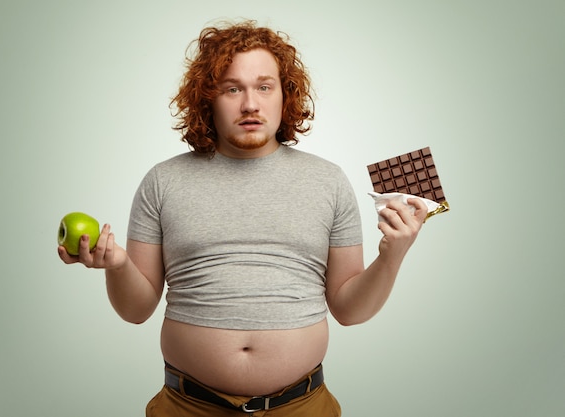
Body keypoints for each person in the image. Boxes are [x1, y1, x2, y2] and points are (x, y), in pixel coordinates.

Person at [58, 19, 428, 416]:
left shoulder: (329, 181)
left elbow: (349, 310)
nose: (250, 104)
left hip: (302, 407)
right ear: (207, 98)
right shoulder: (161, 182)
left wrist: (393, 254)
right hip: (187, 407)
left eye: (264, 87)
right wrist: (116, 265)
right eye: (232, 88)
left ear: (284, 96)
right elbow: (135, 310)